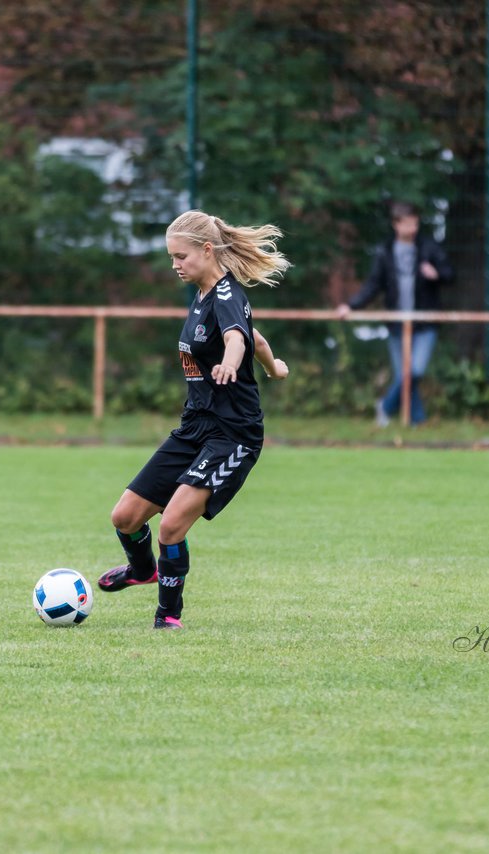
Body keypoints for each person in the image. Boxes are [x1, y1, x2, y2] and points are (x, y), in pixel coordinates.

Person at [97, 210, 291, 629]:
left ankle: (168, 616)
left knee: (170, 524)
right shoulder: (202, 297)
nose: (175, 265)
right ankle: (142, 569)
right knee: (125, 518)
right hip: (195, 427)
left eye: (180, 256)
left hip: (232, 434)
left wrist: (230, 363)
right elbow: (256, 335)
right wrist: (274, 366)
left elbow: (239, 338)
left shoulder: (227, 295)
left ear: (207, 250)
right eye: (171, 257)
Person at [337, 201, 454, 427]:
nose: (413, 228)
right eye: (408, 224)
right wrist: (351, 306)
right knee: (405, 375)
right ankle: (417, 421)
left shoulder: (429, 248)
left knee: (415, 371)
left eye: (416, 223)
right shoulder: (385, 252)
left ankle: (385, 406)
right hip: (396, 323)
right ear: (396, 224)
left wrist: (436, 274)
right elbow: (373, 285)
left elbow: (450, 274)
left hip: (424, 322)